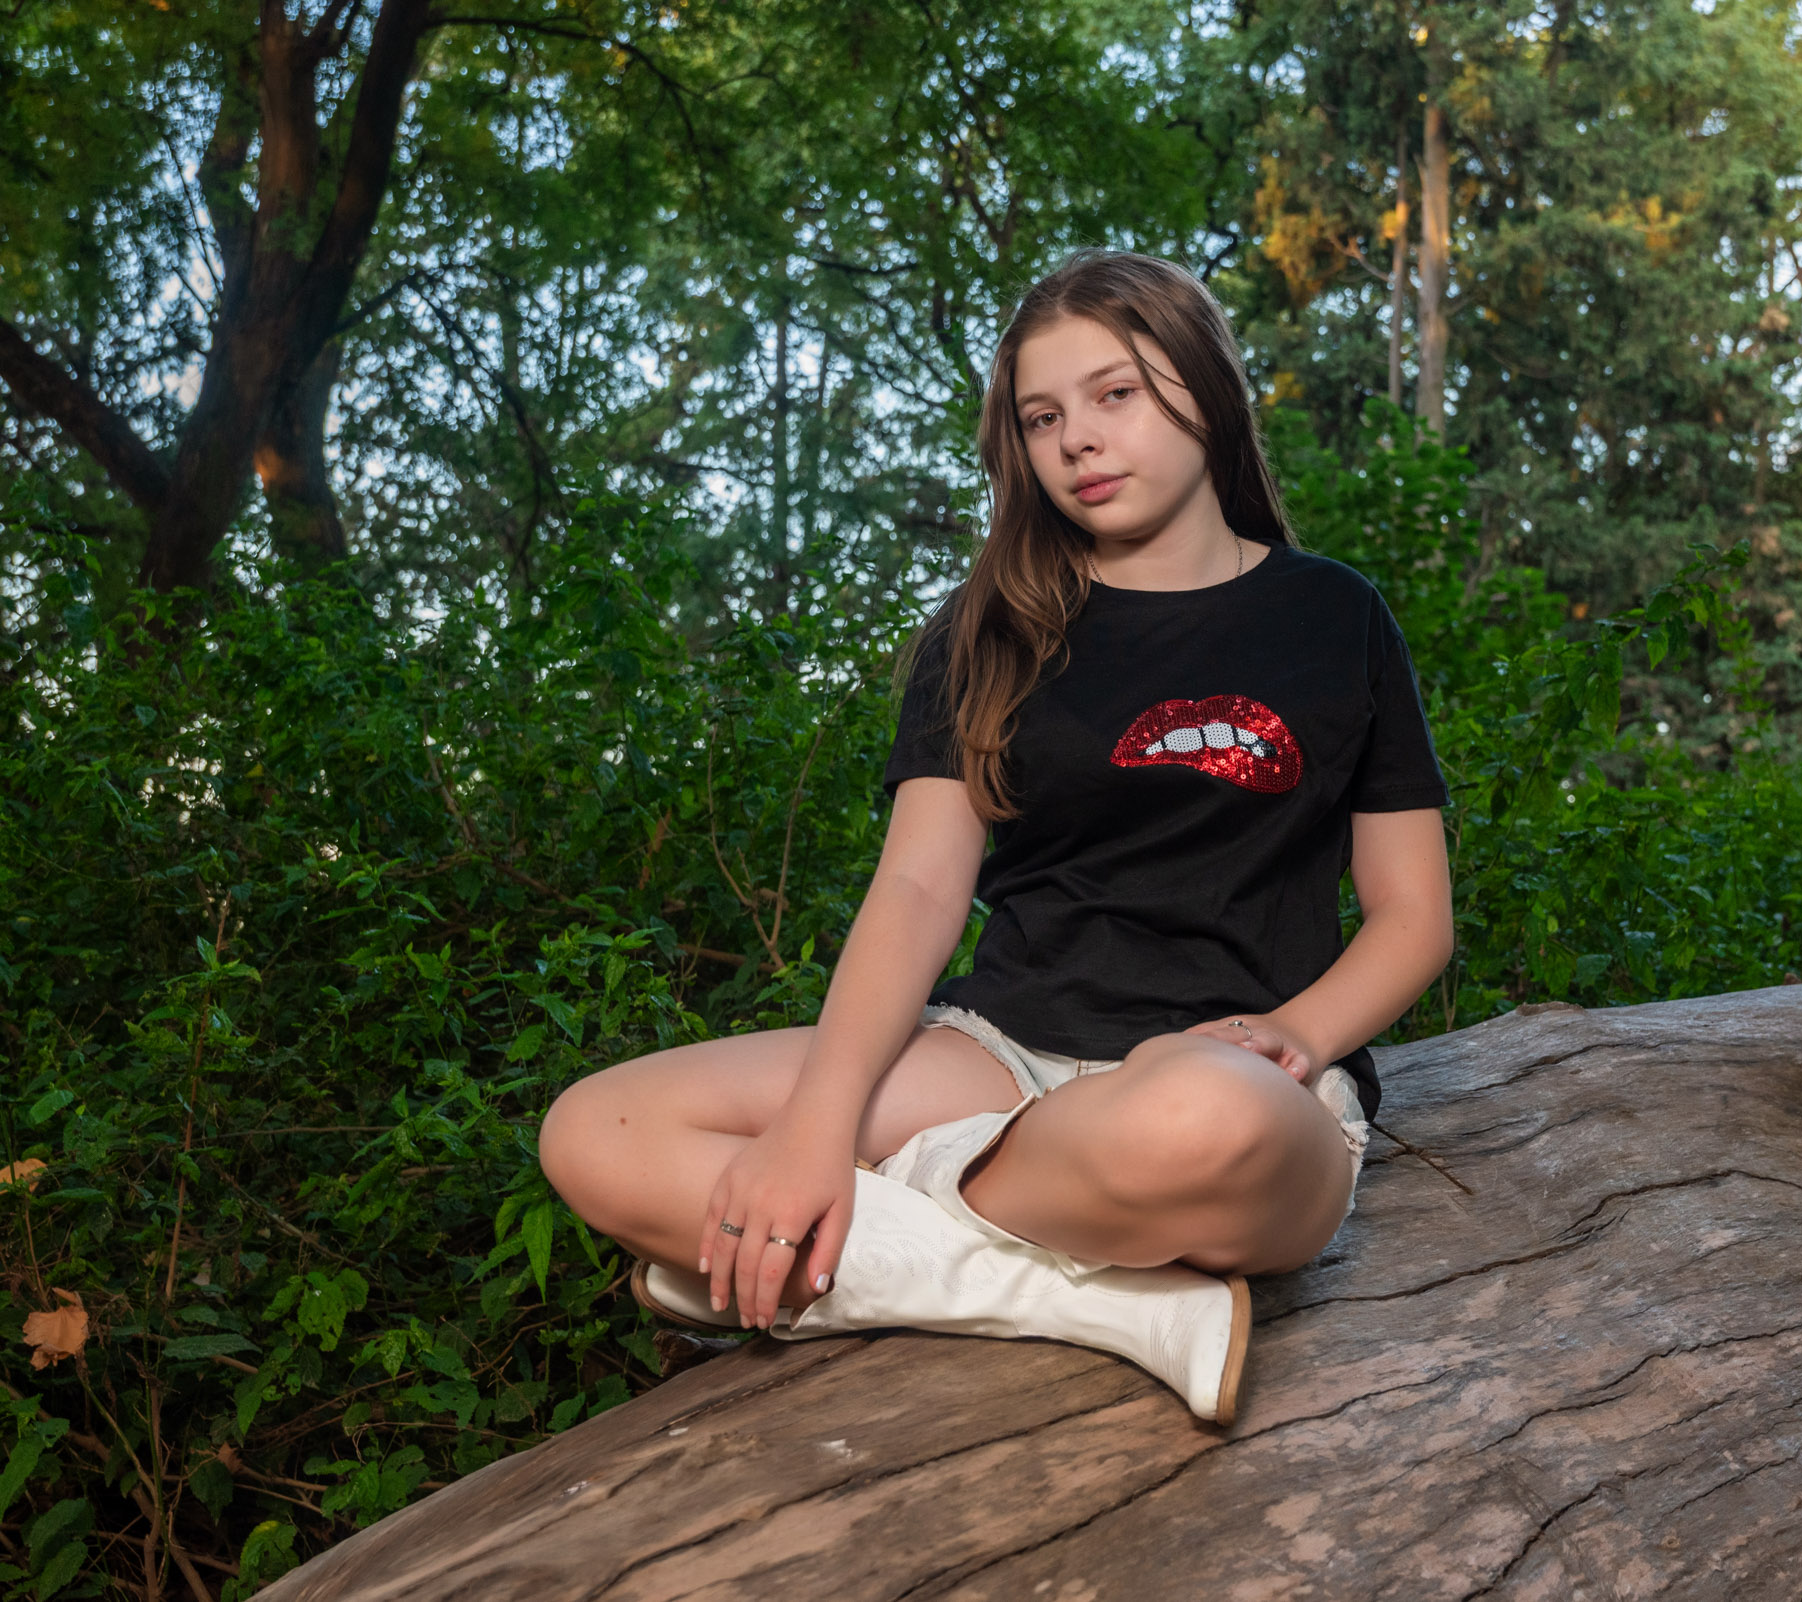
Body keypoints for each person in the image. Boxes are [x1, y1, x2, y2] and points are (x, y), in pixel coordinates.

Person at [538, 250, 1454, 1425]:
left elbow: (1413, 916)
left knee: (1196, 1116)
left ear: (1210, 390)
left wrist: (1300, 1033)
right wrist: (816, 1129)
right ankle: (1109, 1307)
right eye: (1042, 416)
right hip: (1002, 1058)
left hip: (1243, 1085)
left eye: (1115, 393)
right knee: (599, 1131)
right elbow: (920, 891)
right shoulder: (987, 631)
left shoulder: (1336, 616)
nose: (1079, 439)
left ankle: (869, 1254)